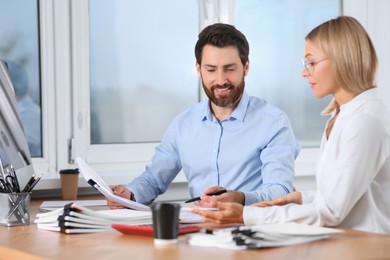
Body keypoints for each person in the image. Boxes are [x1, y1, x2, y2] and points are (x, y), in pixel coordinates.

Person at [192, 16, 390, 234]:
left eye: (312, 62)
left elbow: (332, 211)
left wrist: (245, 214)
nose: (304, 72)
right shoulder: (341, 116)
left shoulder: (365, 122)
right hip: (345, 242)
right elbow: (338, 197)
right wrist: (299, 198)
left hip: (368, 247)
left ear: (342, 59)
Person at [107, 23, 300, 208]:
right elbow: (153, 179)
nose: (221, 80)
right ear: (199, 69)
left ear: (246, 67)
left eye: (230, 69)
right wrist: (130, 194)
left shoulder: (273, 123)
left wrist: (240, 199)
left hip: (251, 229)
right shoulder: (183, 124)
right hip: (197, 230)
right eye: (211, 69)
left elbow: (279, 191)